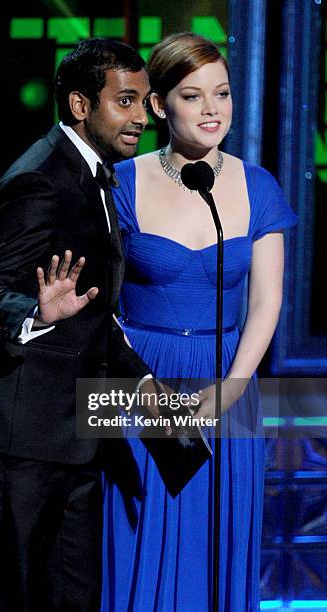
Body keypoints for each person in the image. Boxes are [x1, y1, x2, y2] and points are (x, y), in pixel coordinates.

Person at [0, 38, 151, 612]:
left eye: (145, 101)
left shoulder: (96, 174)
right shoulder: (40, 178)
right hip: (19, 436)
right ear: (81, 105)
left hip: (75, 436)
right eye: (126, 101)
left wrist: (158, 402)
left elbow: (96, 315)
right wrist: (36, 312)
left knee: (73, 596)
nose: (141, 117)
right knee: (12, 594)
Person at [102, 33, 297, 611]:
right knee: (134, 537)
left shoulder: (257, 186)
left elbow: (266, 302)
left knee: (215, 543)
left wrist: (232, 389)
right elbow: (99, 307)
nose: (214, 110)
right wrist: (142, 391)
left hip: (228, 381)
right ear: (160, 105)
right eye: (194, 95)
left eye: (223, 94)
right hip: (137, 380)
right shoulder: (122, 183)